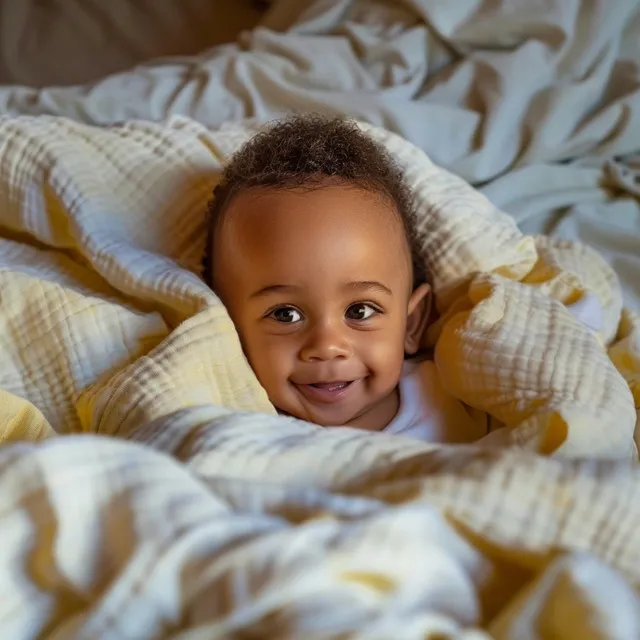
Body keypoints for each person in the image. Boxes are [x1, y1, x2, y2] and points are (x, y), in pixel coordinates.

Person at [203, 115, 601, 444]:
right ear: (229, 327)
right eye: (285, 314)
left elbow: (564, 362)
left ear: (411, 323)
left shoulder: (448, 392)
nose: (327, 347)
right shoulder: (242, 427)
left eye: (360, 310)